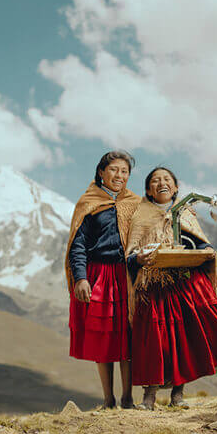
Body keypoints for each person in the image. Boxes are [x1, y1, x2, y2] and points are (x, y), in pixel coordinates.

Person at [126, 167, 217, 410]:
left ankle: (178, 396)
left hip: (184, 284)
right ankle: (149, 398)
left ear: (176, 187)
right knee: (155, 341)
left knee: (184, 338)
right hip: (154, 286)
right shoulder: (140, 216)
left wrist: (206, 250)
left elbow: (198, 243)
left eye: (166, 179)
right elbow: (130, 254)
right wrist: (138, 259)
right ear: (148, 190)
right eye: (155, 181)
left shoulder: (186, 212)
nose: (161, 183)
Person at [65, 151, 141, 409]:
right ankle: (108, 399)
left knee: (128, 334)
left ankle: (128, 398)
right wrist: (81, 278)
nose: (119, 175)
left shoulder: (135, 203)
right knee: (104, 336)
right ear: (101, 172)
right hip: (99, 275)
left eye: (124, 171)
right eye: (114, 170)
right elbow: (78, 244)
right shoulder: (89, 203)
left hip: (127, 275)